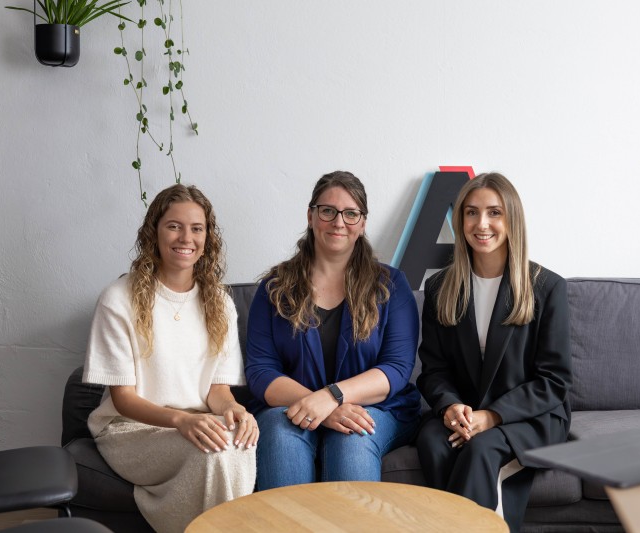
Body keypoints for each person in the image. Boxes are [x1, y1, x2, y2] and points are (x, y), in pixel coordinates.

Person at [83, 184, 257, 533]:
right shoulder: (119, 299)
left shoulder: (220, 304)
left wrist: (233, 410)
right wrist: (181, 421)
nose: (185, 237)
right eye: (174, 226)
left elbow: (217, 391)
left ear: (208, 237)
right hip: (129, 430)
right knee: (212, 454)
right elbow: (124, 399)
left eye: (197, 228)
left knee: (237, 445)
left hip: (196, 421)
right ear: (154, 231)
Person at [415, 173, 572, 532]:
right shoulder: (440, 287)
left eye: (494, 213)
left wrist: (493, 417)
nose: (481, 224)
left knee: (480, 450)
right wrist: (451, 407)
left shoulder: (547, 287)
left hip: (529, 417)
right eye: (471, 213)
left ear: (511, 219)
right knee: (434, 443)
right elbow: (433, 370)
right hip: (466, 412)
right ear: (461, 221)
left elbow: (554, 381)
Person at [245, 170, 421, 489]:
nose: (338, 222)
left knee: (351, 438)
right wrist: (319, 408)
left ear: (363, 223)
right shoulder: (274, 288)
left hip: (376, 409)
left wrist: (332, 397)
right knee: (278, 431)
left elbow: (396, 368)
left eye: (350, 213)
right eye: (328, 211)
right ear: (311, 216)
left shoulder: (391, 286)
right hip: (292, 408)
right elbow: (260, 371)